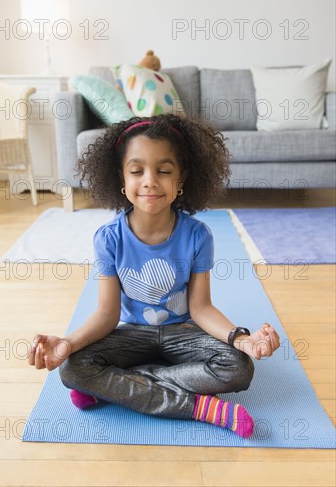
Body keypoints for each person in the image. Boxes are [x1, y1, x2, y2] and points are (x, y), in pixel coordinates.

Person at [28, 114, 280, 439]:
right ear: (121, 177)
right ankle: (200, 408)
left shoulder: (198, 236)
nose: (150, 180)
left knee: (239, 367)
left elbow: (201, 308)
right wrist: (67, 343)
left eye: (163, 171)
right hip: (132, 334)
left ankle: (117, 385)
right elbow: (107, 313)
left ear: (181, 179)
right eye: (137, 171)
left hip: (182, 334)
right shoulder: (109, 238)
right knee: (73, 367)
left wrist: (241, 339)